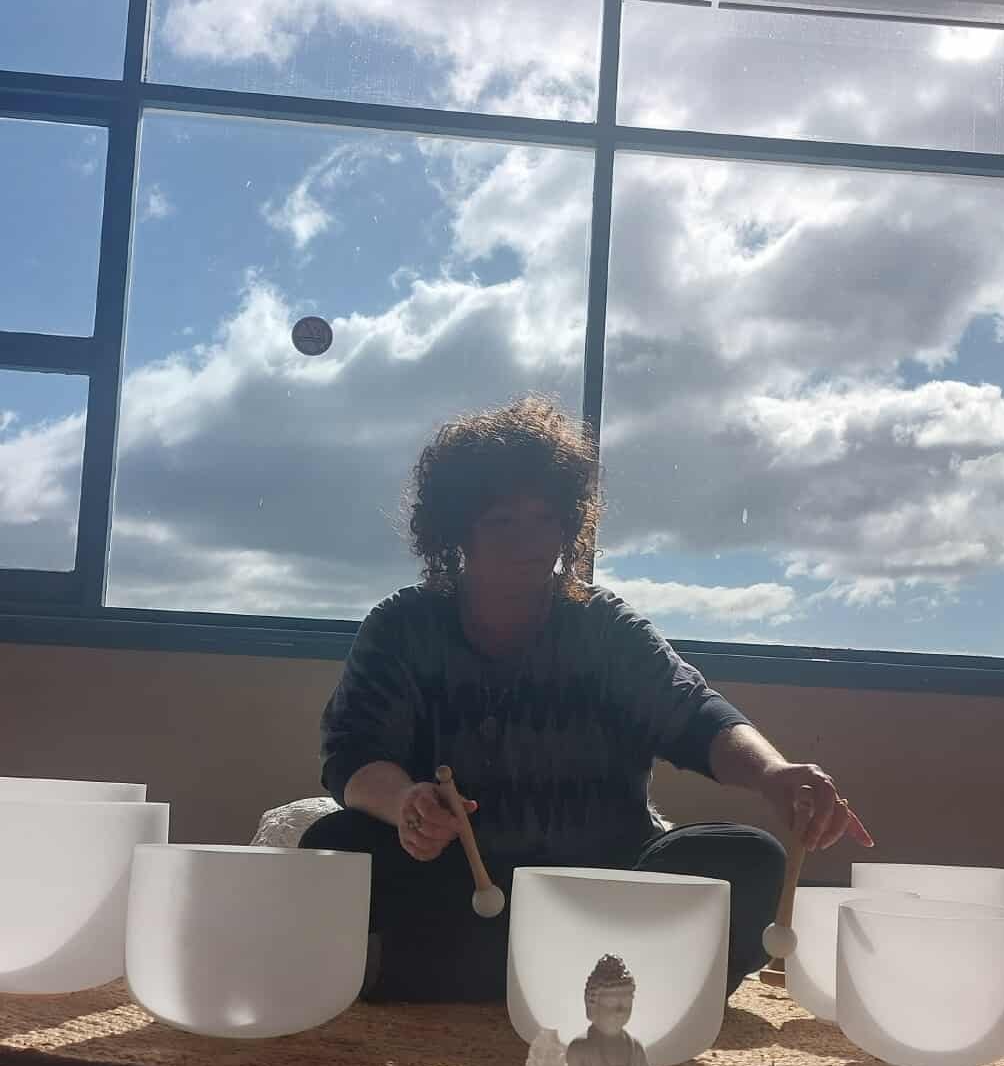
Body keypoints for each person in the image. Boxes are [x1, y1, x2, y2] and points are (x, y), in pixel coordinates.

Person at [302, 398, 871, 1002]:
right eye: (502, 522)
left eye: (546, 519)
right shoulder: (402, 627)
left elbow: (693, 713)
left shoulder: (606, 628)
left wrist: (775, 774)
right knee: (332, 849)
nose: (530, 541)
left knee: (750, 861)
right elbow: (353, 756)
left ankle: (469, 973)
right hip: (460, 879)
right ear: (455, 529)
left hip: (609, 879)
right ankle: (597, 980)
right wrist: (406, 804)